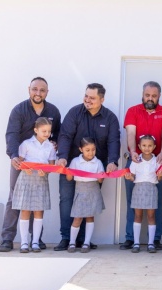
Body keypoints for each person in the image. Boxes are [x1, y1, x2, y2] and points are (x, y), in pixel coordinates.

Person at [0, 77, 61, 252]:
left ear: (47, 92)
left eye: (42, 90)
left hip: (41, 165)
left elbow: (58, 134)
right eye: (35, 89)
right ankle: (7, 239)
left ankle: (36, 240)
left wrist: (54, 143)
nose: (38, 93)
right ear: (29, 90)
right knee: (14, 198)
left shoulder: (53, 111)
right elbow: (11, 133)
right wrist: (13, 156)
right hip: (21, 162)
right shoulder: (19, 110)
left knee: (37, 202)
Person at [55, 83, 120, 251]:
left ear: (102, 99)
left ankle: (84, 240)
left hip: (96, 169)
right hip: (71, 167)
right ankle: (66, 239)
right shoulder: (74, 112)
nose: (87, 100)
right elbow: (65, 135)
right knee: (67, 200)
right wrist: (62, 157)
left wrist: (112, 161)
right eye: (86, 96)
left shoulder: (110, 118)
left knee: (88, 205)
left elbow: (114, 141)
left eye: (92, 97)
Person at [121, 81, 162, 251]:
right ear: (142, 94)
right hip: (136, 160)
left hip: (156, 163)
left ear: (159, 96)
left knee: (156, 202)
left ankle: (155, 239)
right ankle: (130, 238)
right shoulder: (132, 111)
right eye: (147, 95)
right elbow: (131, 133)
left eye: (154, 96)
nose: (150, 98)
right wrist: (132, 151)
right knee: (132, 201)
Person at [12, 117, 56, 253]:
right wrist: (25, 167)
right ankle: (24, 243)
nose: (47, 134)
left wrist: (46, 172)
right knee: (25, 210)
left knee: (39, 211)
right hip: (27, 179)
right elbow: (20, 161)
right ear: (36, 130)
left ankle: (35, 242)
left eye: (49, 131)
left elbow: (52, 165)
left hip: (41, 180)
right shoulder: (26, 144)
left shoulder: (50, 146)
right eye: (44, 131)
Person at [124, 135, 162, 253]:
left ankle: (151, 243)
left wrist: (160, 176)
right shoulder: (136, 161)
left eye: (150, 145)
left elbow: (159, 178)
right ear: (139, 147)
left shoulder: (156, 161)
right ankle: (136, 243)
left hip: (151, 189)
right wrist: (129, 177)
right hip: (138, 189)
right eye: (144, 145)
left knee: (151, 216)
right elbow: (132, 176)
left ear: (154, 147)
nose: (147, 148)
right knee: (137, 216)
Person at [66, 138, 105, 254]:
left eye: (93, 150)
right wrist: (68, 172)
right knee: (77, 217)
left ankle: (86, 243)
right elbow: (69, 178)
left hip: (93, 190)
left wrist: (100, 175)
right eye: (87, 150)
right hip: (80, 190)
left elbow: (100, 181)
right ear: (80, 149)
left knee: (90, 217)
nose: (91, 152)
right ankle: (72, 242)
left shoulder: (98, 162)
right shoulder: (75, 162)